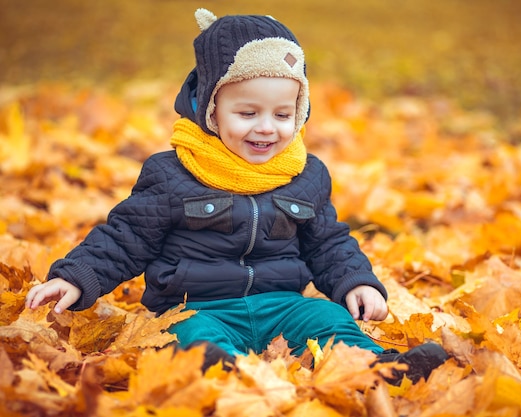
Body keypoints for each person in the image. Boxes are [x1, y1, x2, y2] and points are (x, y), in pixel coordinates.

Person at [25, 8, 448, 384]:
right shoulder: (174, 173)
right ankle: (215, 368)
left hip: (282, 305)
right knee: (189, 335)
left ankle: (378, 368)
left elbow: (328, 243)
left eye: (283, 115)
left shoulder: (305, 174)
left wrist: (356, 281)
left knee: (328, 318)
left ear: (299, 113)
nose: (267, 128)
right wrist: (75, 276)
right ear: (210, 108)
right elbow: (125, 237)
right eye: (247, 113)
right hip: (196, 306)